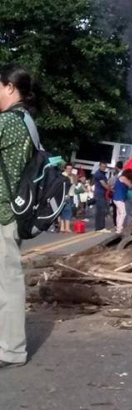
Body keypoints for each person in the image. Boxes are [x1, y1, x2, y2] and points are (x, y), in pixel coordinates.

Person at [0, 63, 36, 368]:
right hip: (13, 212)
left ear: (10, 87)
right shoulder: (27, 120)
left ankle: (11, 350)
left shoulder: (9, 122)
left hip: (3, 214)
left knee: (7, 283)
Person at [112, 168, 132, 234]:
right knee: (123, 213)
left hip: (116, 198)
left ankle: (118, 228)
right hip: (119, 198)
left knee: (119, 213)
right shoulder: (123, 178)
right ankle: (119, 229)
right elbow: (130, 186)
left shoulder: (120, 177)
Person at [93, 162, 112, 231]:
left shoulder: (103, 174)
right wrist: (111, 189)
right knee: (100, 211)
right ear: (99, 166)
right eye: (102, 166)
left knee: (101, 211)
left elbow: (106, 184)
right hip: (99, 194)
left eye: (105, 166)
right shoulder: (98, 174)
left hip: (102, 194)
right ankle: (100, 227)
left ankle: (99, 227)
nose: (103, 168)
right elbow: (104, 184)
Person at [59, 163, 77, 233]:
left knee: (66, 211)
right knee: (66, 211)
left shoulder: (72, 176)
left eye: (70, 169)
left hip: (71, 195)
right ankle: (64, 227)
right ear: (65, 169)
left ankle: (64, 227)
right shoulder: (63, 176)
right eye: (68, 169)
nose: (69, 170)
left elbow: (74, 185)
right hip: (65, 196)